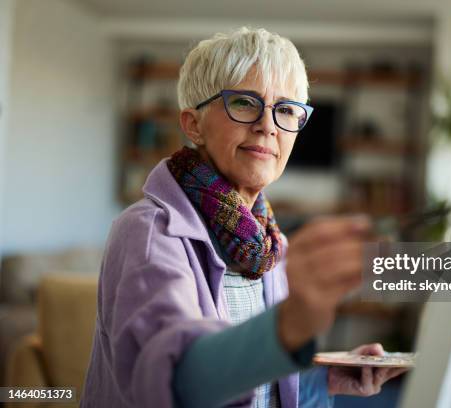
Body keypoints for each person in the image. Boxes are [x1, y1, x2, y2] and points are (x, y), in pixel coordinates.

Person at [81, 27, 406, 408]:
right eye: (245, 103)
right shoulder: (149, 231)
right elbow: (173, 382)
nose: (268, 125)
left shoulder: (268, 242)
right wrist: (292, 324)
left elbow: (262, 389)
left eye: (286, 109)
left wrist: (325, 378)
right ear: (193, 124)